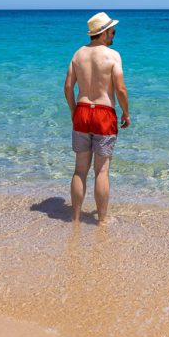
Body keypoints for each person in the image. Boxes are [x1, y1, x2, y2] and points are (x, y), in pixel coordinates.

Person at [64, 12, 130, 224]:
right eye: (112, 31)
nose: (114, 35)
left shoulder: (77, 54)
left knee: (80, 170)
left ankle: (75, 218)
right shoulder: (113, 56)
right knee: (101, 170)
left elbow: (67, 87)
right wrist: (126, 113)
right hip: (103, 114)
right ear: (103, 33)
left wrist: (74, 111)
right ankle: (101, 220)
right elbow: (120, 88)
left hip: (82, 112)